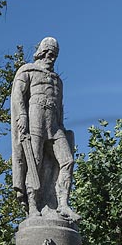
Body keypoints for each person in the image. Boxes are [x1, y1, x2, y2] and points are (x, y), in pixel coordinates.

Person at [10, 37, 79, 220]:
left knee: (67, 161)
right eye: (48, 53)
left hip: (54, 125)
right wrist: (22, 116)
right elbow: (18, 95)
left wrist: (62, 126)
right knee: (35, 162)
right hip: (35, 120)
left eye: (54, 55)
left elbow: (60, 106)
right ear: (40, 53)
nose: (51, 58)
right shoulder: (28, 71)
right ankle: (33, 205)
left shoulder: (58, 80)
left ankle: (62, 204)